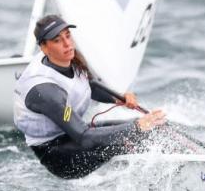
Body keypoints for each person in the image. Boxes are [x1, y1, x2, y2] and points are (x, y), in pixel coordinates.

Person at [14, 14, 166, 179]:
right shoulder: (46, 91)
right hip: (57, 155)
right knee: (133, 137)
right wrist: (137, 126)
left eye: (68, 35)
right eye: (57, 40)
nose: (67, 44)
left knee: (154, 131)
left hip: (73, 134)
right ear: (44, 48)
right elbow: (85, 137)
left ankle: (190, 156)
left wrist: (119, 99)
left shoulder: (67, 57)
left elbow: (87, 86)